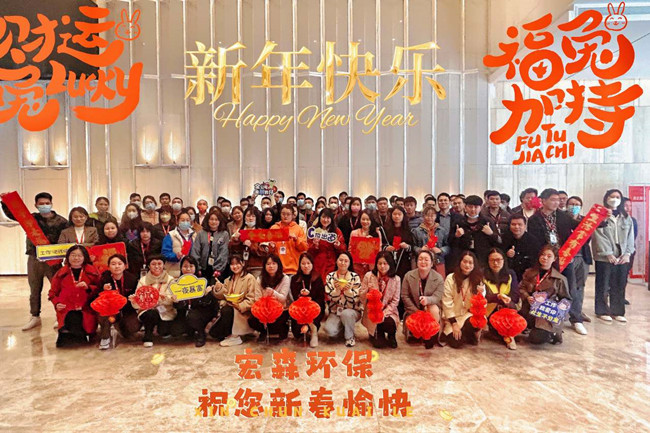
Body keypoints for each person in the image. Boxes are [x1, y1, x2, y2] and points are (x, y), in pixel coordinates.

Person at [1, 192, 68, 331]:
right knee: (34, 289)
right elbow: (13, 215)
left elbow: (66, 239)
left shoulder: (61, 221)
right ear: (36, 205)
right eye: (41, 204)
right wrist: (5, 202)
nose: (44, 206)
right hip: (34, 258)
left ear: (51, 204)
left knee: (58, 288)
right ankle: (35, 316)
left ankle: (60, 316)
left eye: (47, 203)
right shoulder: (31, 218)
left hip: (53, 260)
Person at [592, 189, 635, 323]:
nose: (615, 199)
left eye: (618, 197)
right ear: (606, 198)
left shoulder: (626, 217)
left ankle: (618, 311)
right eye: (612, 196)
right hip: (604, 255)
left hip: (622, 255)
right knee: (603, 284)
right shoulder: (600, 215)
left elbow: (630, 236)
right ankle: (602, 311)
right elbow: (598, 236)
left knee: (619, 284)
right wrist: (608, 253)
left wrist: (627, 253)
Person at [48, 245, 100, 347]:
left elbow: (100, 288)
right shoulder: (61, 273)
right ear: (68, 257)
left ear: (85, 257)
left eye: (79, 256)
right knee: (65, 342)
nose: (76, 258)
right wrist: (56, 303)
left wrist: (88, 287)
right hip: (67, 308)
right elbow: (52, 293)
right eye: (73, 255)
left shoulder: (93, 272)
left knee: (83, 334)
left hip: (86, 308)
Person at [519, 245, 570, 345]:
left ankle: (553, 332)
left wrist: (555, 308)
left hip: (546, 313)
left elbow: (566, 299)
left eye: (549, 256)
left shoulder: (560, 279)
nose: (545, 258)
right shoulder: (529, 273)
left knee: (536, 339)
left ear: (554, 259)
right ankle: (531, 327)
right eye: (543, 255)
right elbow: (521, 288)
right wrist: (527, 297)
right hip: (529, 308)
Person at [210, 254, 260, 346]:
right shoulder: (228, 280)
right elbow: (223, 295)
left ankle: (235, 336)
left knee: (227, 310)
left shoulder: (249, 278)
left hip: (243, 311)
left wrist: (240, 306)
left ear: (243, 263)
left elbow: (252, 299)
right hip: (230, 308)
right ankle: (232, 333)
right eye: (232, 264)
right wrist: (218, 288)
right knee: (214, 334)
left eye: (237, 263)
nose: (235, 266)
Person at [93, 254, 140, 349]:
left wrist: (133, 299)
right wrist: (103, 290)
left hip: (127, 309)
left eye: (120, 263)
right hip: (110, 310)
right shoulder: (104, 279)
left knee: (133, 326)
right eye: (113, 264)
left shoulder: (132, 279)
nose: (117, 266)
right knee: (103, 314)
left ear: (125, 266)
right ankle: (105, 337)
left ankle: (121, 328)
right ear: (108, 266)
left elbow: (137, 297)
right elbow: (96, 296)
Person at [441, 251, 486, 349]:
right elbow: (447, 301)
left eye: (470, 263)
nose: (467, 265)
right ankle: (466, 335)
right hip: (453, 316)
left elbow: (481, 304)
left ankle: (469, 333)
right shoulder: (451, 278)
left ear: (474, 265)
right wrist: (454, 324)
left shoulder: (478, 279)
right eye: (465, 262)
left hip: (467, 315)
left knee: (476, 322)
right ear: (460, 262)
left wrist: (480, 294)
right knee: (456, 343)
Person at [129, 255, 175, 347]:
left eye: (159, 264)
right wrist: (134, 301)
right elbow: (139, 303)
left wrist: (163, 298)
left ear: (164, 265)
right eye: (153, 264)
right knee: (151, 314)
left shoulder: (170, 279)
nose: (157, 266)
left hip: (165, 310)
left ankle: (160, 329)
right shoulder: (143, 280)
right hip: (147, 310)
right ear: (149, 266)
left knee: (164, 331)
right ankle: (148, 336)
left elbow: (171, 300)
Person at [401, 250, 444, 349]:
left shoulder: (438, 278)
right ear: (416, 262)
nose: (423, 262)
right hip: (414, 310)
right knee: (414, 338)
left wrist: (428, 300)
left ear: (432, 263)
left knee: (433, 308)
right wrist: (416, 311)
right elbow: (405, 296)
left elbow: (438, 296)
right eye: (420, 259)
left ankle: (431, 335)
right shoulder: (408, 276)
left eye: (426, 260)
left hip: (430, 310)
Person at [173, 256, 218, 347]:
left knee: (192, 316)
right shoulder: (177, 284)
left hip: (202, 312)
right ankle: (190, 331)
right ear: (181, 268)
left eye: (191, 266)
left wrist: (205, 295)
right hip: (185, 312)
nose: (188, 269)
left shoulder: (202, 282)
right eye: (185, 266)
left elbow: (210, 303)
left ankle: (201, 334)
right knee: (175, 330)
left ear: (196, 267)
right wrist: (176, 302)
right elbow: (178, 307)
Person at [448, 195, 500, 272]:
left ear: (480, 208)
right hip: (464, 258)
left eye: (476, 207)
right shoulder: (458, 222)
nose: (473, 209)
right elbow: (450, 242)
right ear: (465, 207)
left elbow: (498, 241)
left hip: (483, 259)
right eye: (470, 207)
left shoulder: (487, 221)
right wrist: (456, 236)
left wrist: (491, 234)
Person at [360, 252, 401, 349]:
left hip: (388, 311)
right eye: (380, 263)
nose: (382, 266)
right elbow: (361, 297)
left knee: (389, 323)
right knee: (379, 345)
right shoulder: (369, 276)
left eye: (385, 263)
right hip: (372, 311)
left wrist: (384, 313)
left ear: (390, 264)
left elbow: (395, 300)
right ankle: (376, 333)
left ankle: (391, 335)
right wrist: (367, 290)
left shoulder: (396, 279)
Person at [566, 196, 594, 333]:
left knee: (580, 286)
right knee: (570, 286)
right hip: (568, 257)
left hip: (583, 256)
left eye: (577, 204)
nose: (574, 206)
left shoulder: (585, 221)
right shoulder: (563, 219)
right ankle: (573, 316)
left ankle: (578, 312)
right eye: (571, 204)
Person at [483, 248, 520, 350]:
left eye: (499, 260)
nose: (495, 263)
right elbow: (482, 296)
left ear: (504, 260)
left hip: (506, 308)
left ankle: (510, 336)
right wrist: (497, 297)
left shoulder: (510, 274)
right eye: (492, 260)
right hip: (489, 309)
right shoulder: (482, 274)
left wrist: (506, 299)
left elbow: (516, 295)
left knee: (510, 306)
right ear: (488, 261)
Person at [248, 255, 291, 341]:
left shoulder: (285, 278)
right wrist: (263, 314)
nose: (271, 266)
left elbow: (283, 298)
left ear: (278, 265)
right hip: (264, 309)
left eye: (273, 263)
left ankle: (279, 330)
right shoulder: (260, 279)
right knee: (252, 320)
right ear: (264, 266)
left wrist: (273, 293)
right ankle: (264, 331)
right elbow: (257, 299)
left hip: (279, 309)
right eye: (268, 264)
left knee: (279, 321)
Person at [324, 252, 362, 347]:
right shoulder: (330, 276)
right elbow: (329, 297)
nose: (343, 263)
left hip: (352, 310)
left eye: (346, 261)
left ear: (349, 263)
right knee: (330, 331)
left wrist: (347, 291)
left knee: (346, 314)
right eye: (340, 260)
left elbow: (356, 298)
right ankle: (344, 328)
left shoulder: (355, 277)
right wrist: (337, 290)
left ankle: (350, 337)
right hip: (335, 311)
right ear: (336, 261)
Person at [289, 253, 326, 347]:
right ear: (299, 265)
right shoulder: (295, 279)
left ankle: (314, 331)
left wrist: (309, 296)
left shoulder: (317, 278)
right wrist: (301, 294)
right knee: (297, 334)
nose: (306, 266)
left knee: (314, 313)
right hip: (300, 308)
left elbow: (320, 297)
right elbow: (294, 297)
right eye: (303, 263)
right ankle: (305, 327)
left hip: (315, 307)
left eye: (308, 263)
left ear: (312, 264)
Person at [191, 210, 230, 284]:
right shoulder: (201, 233)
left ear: (220, 221)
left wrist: (218, 269)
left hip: (218, 270)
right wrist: (197, 267)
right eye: (211, 219)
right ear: (207, 220)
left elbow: (224, 252)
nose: (214, 222)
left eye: (216, 220)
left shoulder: (224, 234)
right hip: (202, 268)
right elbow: (195, 250)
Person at [268, 204, 309, 275]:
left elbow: (304, 248)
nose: (285, 216)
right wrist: (271, 246)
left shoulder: (298, 229)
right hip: (277, 269)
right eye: (283, 214)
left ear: (293, 215)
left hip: (294, 269)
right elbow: (269, 251)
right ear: (280, 214)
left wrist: (296, 239)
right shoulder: (274, 228)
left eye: (288, 214)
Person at [308, 208, 346, 281]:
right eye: (323, 217)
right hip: (317, 262)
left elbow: (343, 249)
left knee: (329, 282)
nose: (325, 220)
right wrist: (315, 245)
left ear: (332, 219)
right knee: (317, 282)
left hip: (331, 262)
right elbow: (308, 249)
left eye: (328, 218)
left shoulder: (336, 231)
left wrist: (338, 246)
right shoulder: (314, 231)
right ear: (319, 218)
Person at [500, 215, 543, 281]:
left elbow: (536, 259)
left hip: (527, 273)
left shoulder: (533, 241)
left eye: (520, 224)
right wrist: (507, 255)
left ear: (525, 226)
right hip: (509, 273)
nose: (516, 227)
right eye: (513, 224)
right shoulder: (504, 239)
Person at [229, 207, 268, 278]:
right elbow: (231, 248)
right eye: (248, 216)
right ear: (244, 217)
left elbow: (264, 252)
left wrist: (251, 246)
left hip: (256, 267)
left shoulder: (261, 232)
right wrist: (237, 241)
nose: (250, 218)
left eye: (253, 216)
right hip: (241, 266)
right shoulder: (239, 231)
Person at [412, 205, 449, 275]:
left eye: (432, 216)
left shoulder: (442, 230)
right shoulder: (416, 231)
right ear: (423, 216)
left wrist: (440, 250)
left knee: (439, 280)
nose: (429, 218)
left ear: (435, 216)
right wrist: (420, 249)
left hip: (438, 260)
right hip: (423, 261)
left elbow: (448, 246)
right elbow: (413, 247)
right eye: (427, 215)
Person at [380, 206, 414, 281]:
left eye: (399, 214)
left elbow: (413, 246)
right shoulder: (384, 229)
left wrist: (407, 246)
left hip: (404, 260)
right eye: (394, 214)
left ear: (403, 215)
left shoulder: (409, 230)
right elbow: (380, 244)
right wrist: (386, 248)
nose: (397, 216)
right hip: (388, 259)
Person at [162, 210, 198, 277]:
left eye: (187, 220)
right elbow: (165, 253)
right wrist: (175, 256)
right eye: (183, 220)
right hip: (173, 272)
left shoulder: (194, 235)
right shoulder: (171, 235)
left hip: (190, 272)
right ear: (177, 221)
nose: (185, 222)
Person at [348, 210, 379, 276]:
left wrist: (372, 244)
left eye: (368, 219)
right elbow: (350, 250)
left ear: (371, 220)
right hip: (357, 266)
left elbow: (379, 251)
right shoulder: (354, 233)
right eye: (363, 219)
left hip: (371, 267)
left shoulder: (376, 233)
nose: (365, 221)